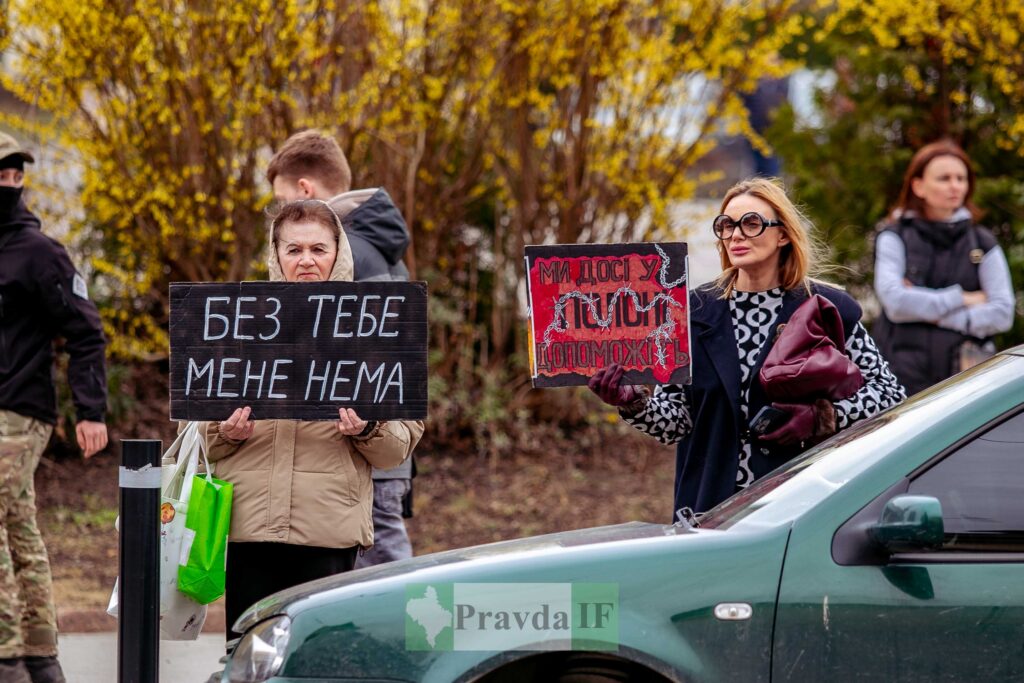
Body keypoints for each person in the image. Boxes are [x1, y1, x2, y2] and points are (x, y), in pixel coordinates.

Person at [588, 178, 905, 518]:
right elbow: (676, 423)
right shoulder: (691, 312)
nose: (736, 234)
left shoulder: (828, 308)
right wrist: (633, 402)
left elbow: (890, 395)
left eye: (751, 223)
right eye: (726, 225)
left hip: (803, 507)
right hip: (710, 510)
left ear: (783, 234)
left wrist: (821, 418)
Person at [202, 200, 423, 640]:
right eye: (294, 249)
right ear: (276, 254)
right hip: (249, 530)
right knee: (250, 658)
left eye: (318, 249)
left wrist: (366, 428)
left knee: (319, 658)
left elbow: (397, 447)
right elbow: (198, 436)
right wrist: (223, 432)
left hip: (328, 533)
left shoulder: (376, 326)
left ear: (338, 252)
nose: (306, 260)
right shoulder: (239, 322)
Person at [267, 130, 416, 568]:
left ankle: (411, 634)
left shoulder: (352, 252)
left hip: (364, 450)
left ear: (304, 191)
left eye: (279, 199)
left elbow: (375, 359)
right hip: (376, 449)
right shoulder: (378, 248)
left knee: (378, 573)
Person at [0, 132, 108, 683]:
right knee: (17, 526)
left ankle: (6, 657)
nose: (10, 182)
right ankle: (39, 657)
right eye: (1, 173)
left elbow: (86, 331)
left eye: (15, 173)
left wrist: (91, 409)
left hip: (19, 409)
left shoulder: (41, 254)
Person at [872, 140, 1015, 395]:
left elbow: (1003, 313)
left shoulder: (983, 242)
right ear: (918, 186)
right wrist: (963, 298)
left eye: (961, 178)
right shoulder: (894, 236)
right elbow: (894, 302)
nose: (955, 186)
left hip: (965, 382)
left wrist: (929, 311)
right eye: (944, 178)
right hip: (900, 379)